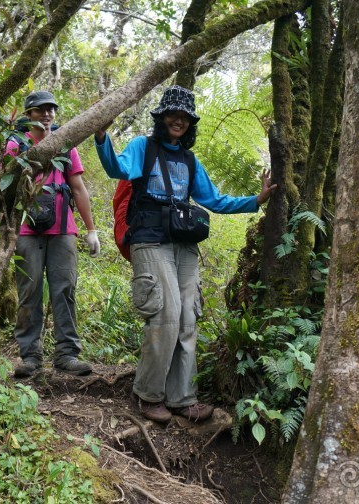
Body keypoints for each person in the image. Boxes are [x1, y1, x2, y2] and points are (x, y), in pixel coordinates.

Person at [94, 85, 277, 423]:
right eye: (173, 115)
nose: (178, 121)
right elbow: (116, 168)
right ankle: (148, 396)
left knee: (187, 319)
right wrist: (102, 136)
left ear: (190, 123)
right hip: (150, 240)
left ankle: (182, 398)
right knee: (165, 314)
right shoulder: (143, 147)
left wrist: (256, 200)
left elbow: (215, 200)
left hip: (184, 244)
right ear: (162, 117)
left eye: (185, 117)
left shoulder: (190, 161)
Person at [7, 90, 100, 378]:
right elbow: (4, 186)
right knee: (29, 291)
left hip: (62, 229)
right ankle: (30, 356)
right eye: (40, 109)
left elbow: (78, 188)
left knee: (64, 290)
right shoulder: (16, 143)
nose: (46, 114)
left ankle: (67, 354)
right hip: (26, 229)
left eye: (51, 109)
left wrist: (91, 230)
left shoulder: (65, 144)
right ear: (29, 114)